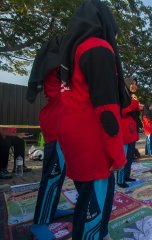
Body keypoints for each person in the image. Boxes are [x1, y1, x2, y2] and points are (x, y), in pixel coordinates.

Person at [58, 1, 127, 239]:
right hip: (92, 139)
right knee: (94, 211)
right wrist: (117, 154)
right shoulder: (97, 47)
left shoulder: (74, 48)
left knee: (86, 200)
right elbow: (106, 109)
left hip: (73, 134)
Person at [26, 36, 74, 240]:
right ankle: (39, 222)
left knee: (59, 174)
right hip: (56, 126)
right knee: (52, 175)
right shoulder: (56, 70)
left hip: (62, 125)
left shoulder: (62, 71)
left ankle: (51, 210)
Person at [117, 77, 142, 188]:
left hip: (132, 130)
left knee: (130, 156)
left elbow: (135, 112)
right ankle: (120, 180)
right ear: (127, 84)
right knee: (124, 156)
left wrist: (136, 105)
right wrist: (133, 104)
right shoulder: (121, 96)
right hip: (125, 131)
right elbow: (121, 112)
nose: (134, 85)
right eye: (132, 83)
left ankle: (126, 176)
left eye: (135, 84)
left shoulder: (132, 97)